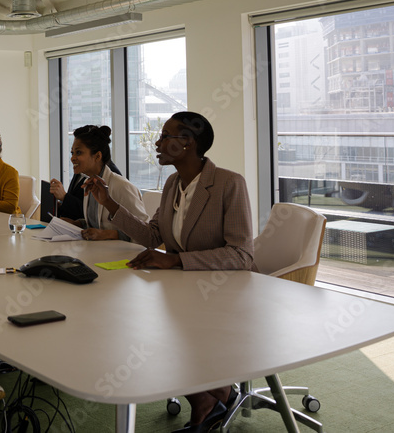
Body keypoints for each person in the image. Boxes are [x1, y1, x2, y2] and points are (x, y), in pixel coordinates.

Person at [84, 111, 254, 432]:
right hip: (183, 290)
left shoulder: (229, 184)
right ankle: (211, 398)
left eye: (165, 137)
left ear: (187, 144)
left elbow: (242, 254)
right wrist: (108, 203)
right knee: (130, 319)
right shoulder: (174, 183)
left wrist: (175, 261)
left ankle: (217, 394)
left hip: (222, 292)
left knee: (151, 330)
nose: (157, 143)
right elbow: (152, 236)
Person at [55, 125, 146, 240]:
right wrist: (78, 223)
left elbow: (143, 232)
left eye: (78, 153)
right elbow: (99, 223)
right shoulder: (89, 182)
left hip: (123, 255)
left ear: (97, 156)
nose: (72, 158)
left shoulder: (121, 186)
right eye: (72, 153)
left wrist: (107, 234)